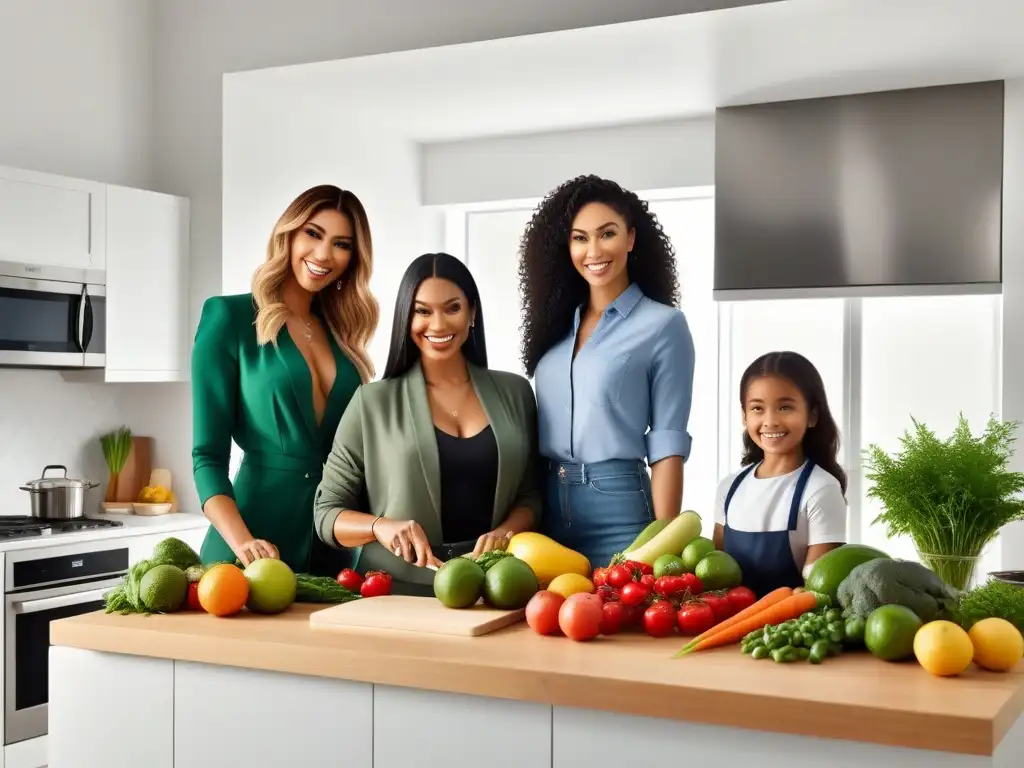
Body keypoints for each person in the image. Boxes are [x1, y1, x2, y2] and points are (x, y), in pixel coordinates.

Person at [313, 252, 542, 588]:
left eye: (452, 308)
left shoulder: (517, 393)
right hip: (394, 591)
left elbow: (532, 496)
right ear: (406, 317)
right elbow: (327, 515)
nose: (438, 325)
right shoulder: (371, 402)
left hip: (495, 586)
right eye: (422, 311)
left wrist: (506, 532)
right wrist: (381, 526)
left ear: (472, 313)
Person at [191, 184, 379, 573]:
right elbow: (207, 458)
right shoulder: (230, 318)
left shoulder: (343, 335)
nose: (324, 254)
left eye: (342, 244)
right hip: (253, 550)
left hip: (335, 551)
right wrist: (243, 542)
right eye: (313, 233)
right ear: (288, 234)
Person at [518, 174, 695, 570]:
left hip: (619, 507)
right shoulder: (555, 329)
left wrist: (662, 548)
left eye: (607, 234)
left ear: (631, 239)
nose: (593, 250)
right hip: (545, 507)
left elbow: (667, 443)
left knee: (618, 626)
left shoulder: (664, 326)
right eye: (580, 238)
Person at [713, 351, 847, 597]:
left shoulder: (821, 489)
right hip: (725, 624)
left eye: (785, 407)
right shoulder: (729, 488)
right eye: (757, 408)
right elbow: (715, 572)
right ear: (744, 416)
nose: (770, 421)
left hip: (789, 628)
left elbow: (817, 589)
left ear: (812, 415)